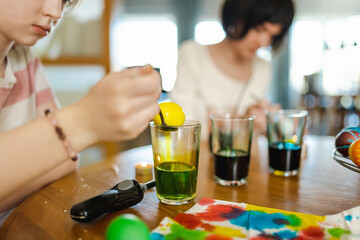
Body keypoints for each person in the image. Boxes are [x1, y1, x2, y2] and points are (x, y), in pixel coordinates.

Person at [0, 0, 162, 223]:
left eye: (64, 1)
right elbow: (64, 152)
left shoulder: (26, 61)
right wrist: (84, 121)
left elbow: (66, 162)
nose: (55, 12)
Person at [169, 0, 295, 140]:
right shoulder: (192, 55)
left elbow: (250, 141)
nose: (264, 43)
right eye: (259, 29)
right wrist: (243, 122)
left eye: (272, 36)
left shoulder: (263, 68)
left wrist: (268, 125)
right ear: (237, 18)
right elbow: (180, 129)